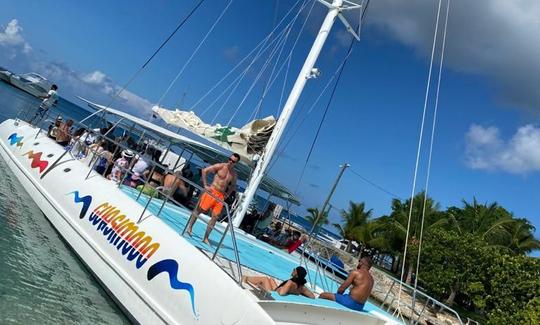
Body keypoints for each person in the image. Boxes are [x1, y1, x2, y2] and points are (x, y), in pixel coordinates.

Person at [185, 153, 240, 245]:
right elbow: (204, 171)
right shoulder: (220, 166)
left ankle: (206, 238)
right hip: (212, 191)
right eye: (229, 159)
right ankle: (189, 227)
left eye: (233, 161)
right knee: (199, 210)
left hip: (221, 196)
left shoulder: (234, 174)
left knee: (215, 217)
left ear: (235, 163)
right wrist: (205, 185)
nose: (230, 161)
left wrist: (228, 194)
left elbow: (233, 185)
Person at [243, 266, 315, 298]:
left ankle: (246, 279)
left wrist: (282, 289)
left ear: (296, 273)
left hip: (272, 293)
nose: (292, 271)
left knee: (264, 279)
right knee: (271, 279)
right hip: (276, 290)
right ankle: (249, 279)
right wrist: (298, 293)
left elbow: (281, 293)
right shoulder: (302, 287)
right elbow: (312, 296)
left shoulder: (291, 282)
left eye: (294, 270)